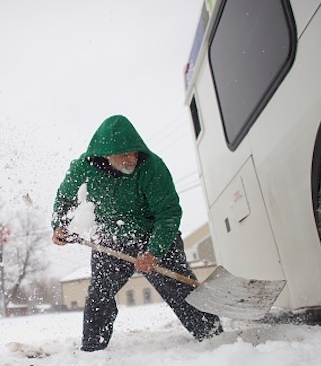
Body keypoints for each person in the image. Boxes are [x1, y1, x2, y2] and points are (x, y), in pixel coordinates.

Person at [51, 115, 223, 352]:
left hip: (154, 234)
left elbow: (169, 213)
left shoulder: (152, 167)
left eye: (134, 152)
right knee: (100, 292)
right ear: (107, 154)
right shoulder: (83, 169)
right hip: (110, 237)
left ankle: (212, 335)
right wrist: (59, 226)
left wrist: (154, 251)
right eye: (124, 154)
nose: (132, 158)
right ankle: (92, 350)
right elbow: (64, 199)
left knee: (178, 286)